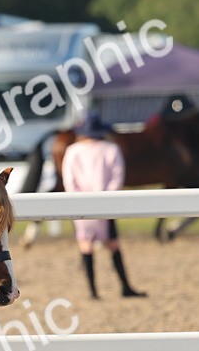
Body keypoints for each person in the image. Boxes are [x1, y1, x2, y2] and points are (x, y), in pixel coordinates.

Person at [62, 112, 145, 299]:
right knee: (113, 244)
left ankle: (93, 291)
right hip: (105, 204)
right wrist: (106, 198)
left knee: (85, 245)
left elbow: (69, 180)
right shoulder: (110, 148)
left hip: (79, 204)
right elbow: (117, 177)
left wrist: (77, 199)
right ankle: (125, 286)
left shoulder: (72, 151)